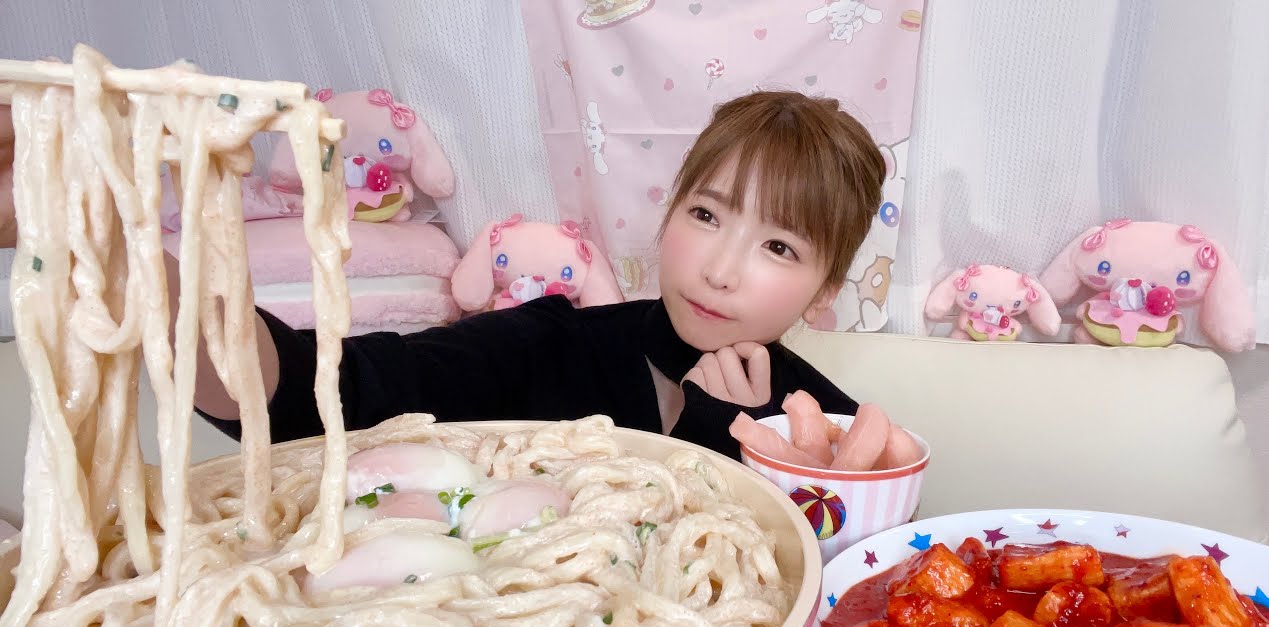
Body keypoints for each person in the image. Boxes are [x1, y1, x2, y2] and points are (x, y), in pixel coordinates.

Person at [0, 90, 886, 459]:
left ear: (827, 290)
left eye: (780, 247)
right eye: (705, 214)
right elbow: (310, 390)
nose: (723, 268)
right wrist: (82, 227)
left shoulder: (831, 432)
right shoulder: (551, 339)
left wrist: (804, 488)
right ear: (667, 215)